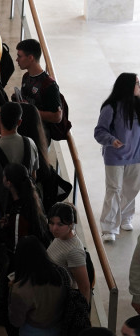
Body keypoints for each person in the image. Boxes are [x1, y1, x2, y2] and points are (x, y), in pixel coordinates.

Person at [94, 73, 140, 242]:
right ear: (127, 86)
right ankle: (109, 227)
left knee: (131, 189)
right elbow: (99, 131)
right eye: (137, 83)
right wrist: (111, 140)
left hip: (136, 157)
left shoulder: (138, 106)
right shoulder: (110, 108)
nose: (139, 86)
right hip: (115, 157)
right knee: (114, 190)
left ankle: (126, 217)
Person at [0, 102, 39, 214]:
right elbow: (34, 176)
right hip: (30, 206)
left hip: (3, 211)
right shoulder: (31, 143)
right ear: (20, 122)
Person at [47, 202, 91, 303]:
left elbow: (84, 288)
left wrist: (82, 314)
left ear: (71, 225)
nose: (54, 228)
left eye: (60, 224)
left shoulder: (74, 251)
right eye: (51, 223)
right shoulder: (60, 237)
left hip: (60, 300)